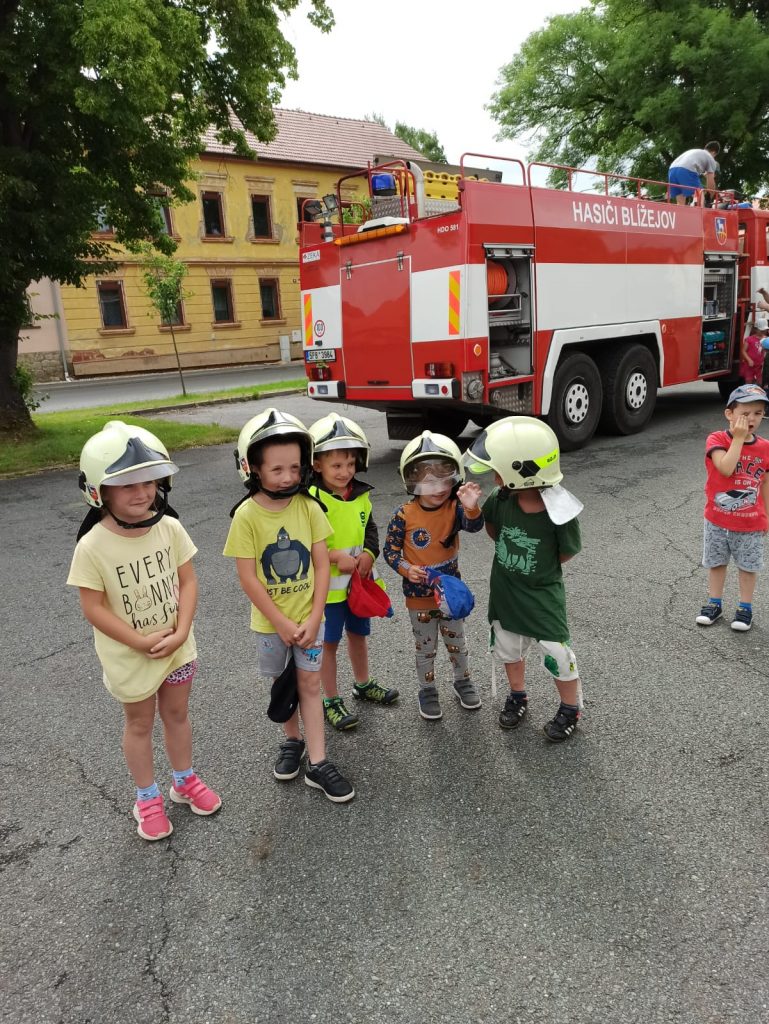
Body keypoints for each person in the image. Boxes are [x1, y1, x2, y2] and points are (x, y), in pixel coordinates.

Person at [66, 421, 221, 841]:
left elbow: (188, 581)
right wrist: (138, 641)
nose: (142, 493)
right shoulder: (92, 546)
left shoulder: (169, 527)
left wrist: (182, 629)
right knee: (139, 724)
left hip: (177, 647)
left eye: (149, 481)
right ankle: (146, 797)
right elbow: (92, 608)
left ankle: (184, 780)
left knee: (177, 715)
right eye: (127, 484)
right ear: (98, 491)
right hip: (130, 656)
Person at [223, 408, 354, 802]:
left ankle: (319, 761)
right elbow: (249, 578)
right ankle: (292, 740)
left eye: (294, 468)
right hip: (271, 626)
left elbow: (321, 564)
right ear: (253, 468)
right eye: (277, 469)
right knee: (283, 685)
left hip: (310, 621)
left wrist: (315, 618)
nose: (288, 477)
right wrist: (280, 622)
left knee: (311, 685)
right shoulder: (246, 516)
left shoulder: (309, 507)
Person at [463, 416, 585, 743]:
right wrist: (472, 509)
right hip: (506, 592)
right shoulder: (502, 498)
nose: (494, 477)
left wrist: (536, 569)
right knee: (509, 649)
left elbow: (566, 552)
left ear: (520, 471)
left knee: (558, 653)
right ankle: (518, 695)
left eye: (499, 470)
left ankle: (570, 708)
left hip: (543, 595)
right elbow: (492, 529)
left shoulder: (559, 510)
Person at [383, 431, 484, 721]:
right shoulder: (404, 515)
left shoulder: (454, 508)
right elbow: (390, 552)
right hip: (419, 599)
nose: (438, 488)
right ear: (411, 480)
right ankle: (427, 690)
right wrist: (406, 569)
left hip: (450, 597)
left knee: (458, 643)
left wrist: (472, 507)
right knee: (425, 649)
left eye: (444, 479)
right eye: (428, 481)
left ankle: (462, 681)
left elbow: (474, 526)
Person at [308, 413, 398, 731]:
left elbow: (370, 529)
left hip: (358, 583)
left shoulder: (360, 495)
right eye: (336, 465)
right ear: (316, 464)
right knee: (328, 645)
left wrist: (370, 554)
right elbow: (306, 543)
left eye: (350, 464)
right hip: (328, 591)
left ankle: (362, 683)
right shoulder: (311, 500)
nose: (345, 472)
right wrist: (334, 556)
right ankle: (330, 699)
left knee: (359, 635)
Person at [695, 383, 769, 632]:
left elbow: (765, 483)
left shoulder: (765, 448)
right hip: (717, 519)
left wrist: (767, 516)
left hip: (750, 522)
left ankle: (745, 608)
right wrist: (738, 439)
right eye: (745, 413)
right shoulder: (717, 439)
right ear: (729, 413)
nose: (751, 419)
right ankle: (714, 604)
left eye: (758, 413)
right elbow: (725, 468)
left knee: (748, 566)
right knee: (717, 562)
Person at [739, 317, 769, 385]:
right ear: (755, 329)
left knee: (760, 383)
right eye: (761, 330)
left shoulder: (767, 340)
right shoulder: (749, 339)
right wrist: (749, 360)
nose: (762, 332)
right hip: (750, 366)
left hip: (760, 367)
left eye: (764, 330)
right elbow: (743, 351)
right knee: (749, 383)